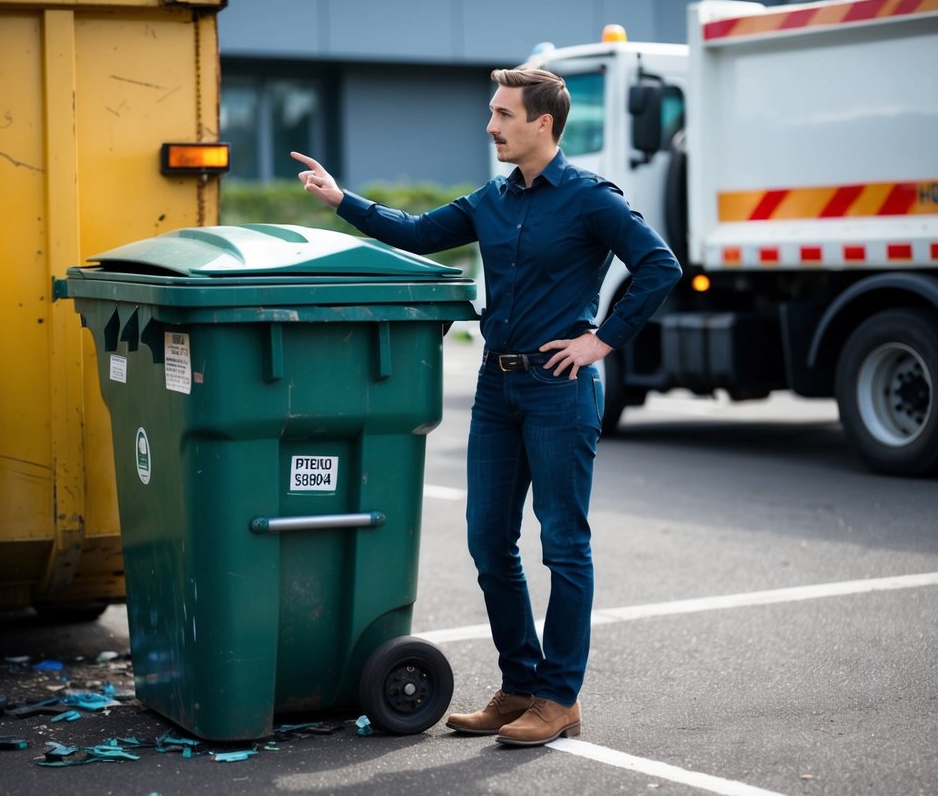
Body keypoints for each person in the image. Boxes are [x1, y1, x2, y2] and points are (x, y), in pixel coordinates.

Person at [292, 67, 681, 746]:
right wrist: (340, 199)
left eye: (503, 114)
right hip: (495, 388)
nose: (490, 125)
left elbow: (658, 264)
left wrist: (601, 341)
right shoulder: (491, 200)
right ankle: (519, 685)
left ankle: (559, 698)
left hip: (558, 387)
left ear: (542, 124)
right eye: (491, 112)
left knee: (563, 544)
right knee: (487, 540)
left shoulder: (591, 199)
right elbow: (414, 232)